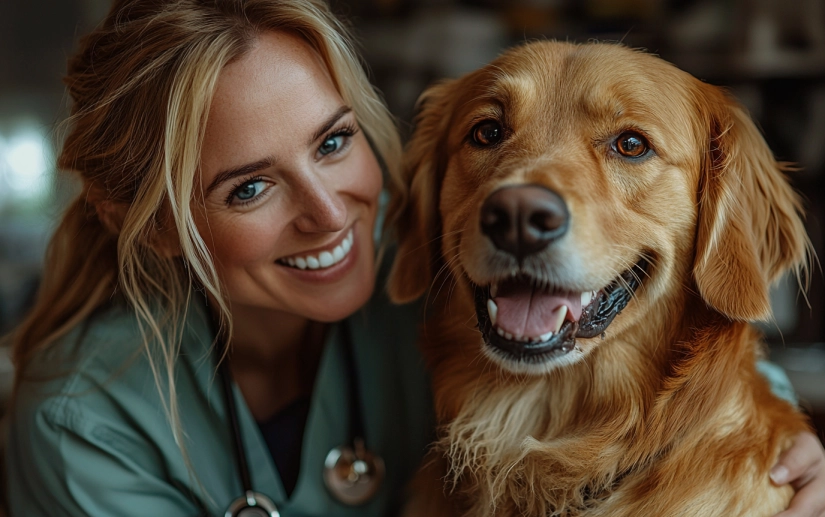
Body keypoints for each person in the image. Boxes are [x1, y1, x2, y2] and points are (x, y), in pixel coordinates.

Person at [2, 1, 823, 516]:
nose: (329, 215)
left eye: (332, 142)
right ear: (156, 227)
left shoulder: (417, 251)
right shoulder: (86, 425)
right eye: (248, 188)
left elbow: (704, 323)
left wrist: (783, 443)